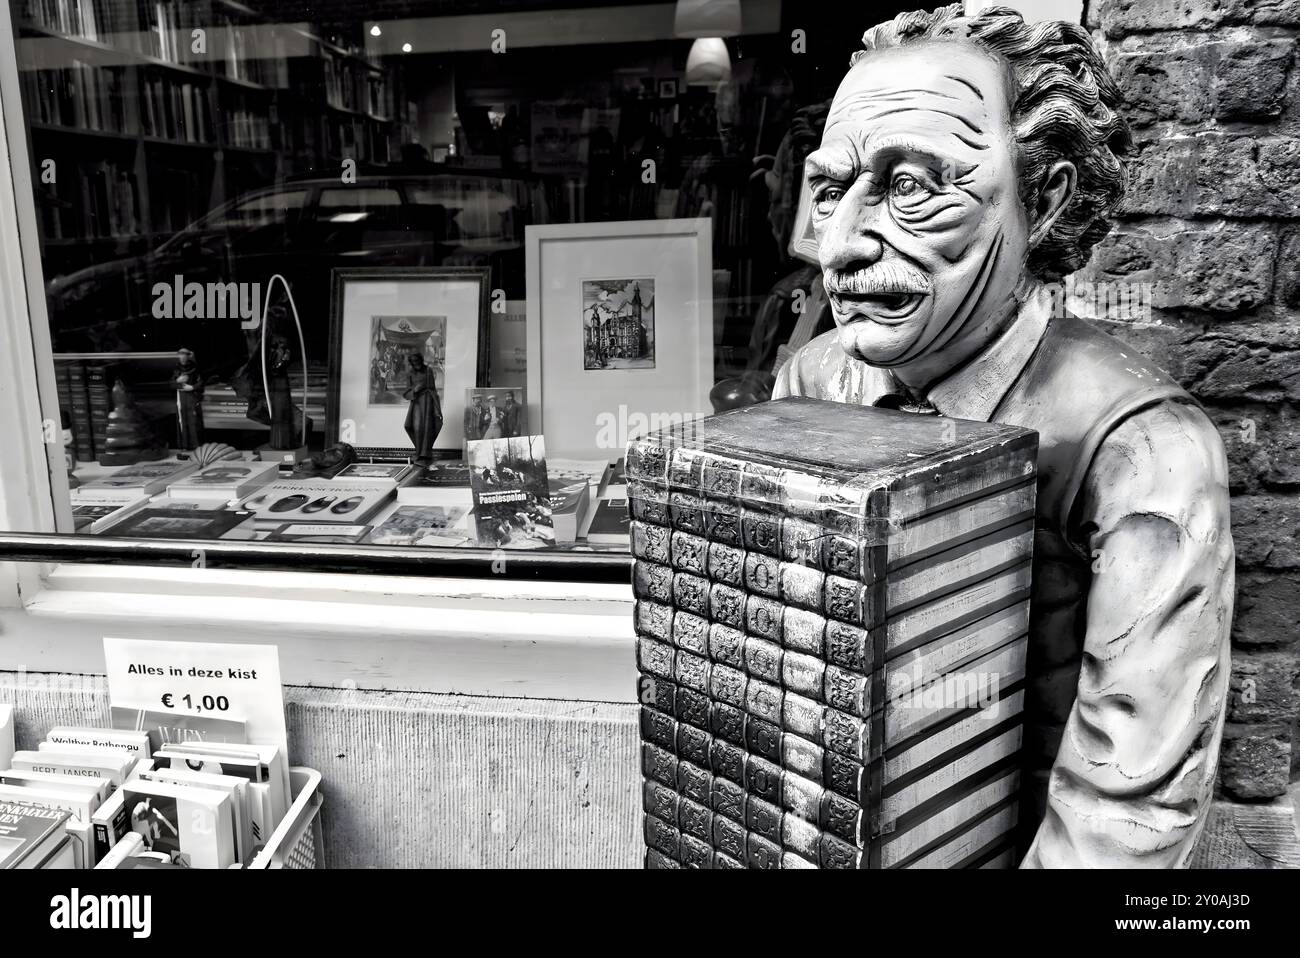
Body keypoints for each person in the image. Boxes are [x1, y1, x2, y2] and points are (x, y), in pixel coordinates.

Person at [774, 5, 1233, 868]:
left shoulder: (1141, 446)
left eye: (911, 188)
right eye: (831, 191)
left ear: (1044, 196)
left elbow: (1125, 810)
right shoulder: (814, 380)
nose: (836, 247)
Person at [402, 351, 443, 466]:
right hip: (416, 404)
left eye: (418, 361)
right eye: (414, 362)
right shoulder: (410, 373)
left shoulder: (428, 370)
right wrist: (415, 390)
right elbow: (406, 392)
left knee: (427, 428)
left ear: (421, 360)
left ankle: (425, 454)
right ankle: (419, 452)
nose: (416, 363)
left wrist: (437, 408)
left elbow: (433, 390)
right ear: (411, 363)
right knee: (415, 427)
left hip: (428, 402)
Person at [169, 347, 204, 449]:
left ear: (188, 356)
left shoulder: (195, 368)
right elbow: (171, 384)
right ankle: (184, 445)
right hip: (181, 398)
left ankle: (196, 446)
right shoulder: (176, 369)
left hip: (192, 397)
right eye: (181, 354)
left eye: (185, 355)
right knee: (182, 421)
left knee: (194, 421)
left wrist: (192, 387)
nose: (182, 357)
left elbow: (201, 382)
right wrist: (177, 382)